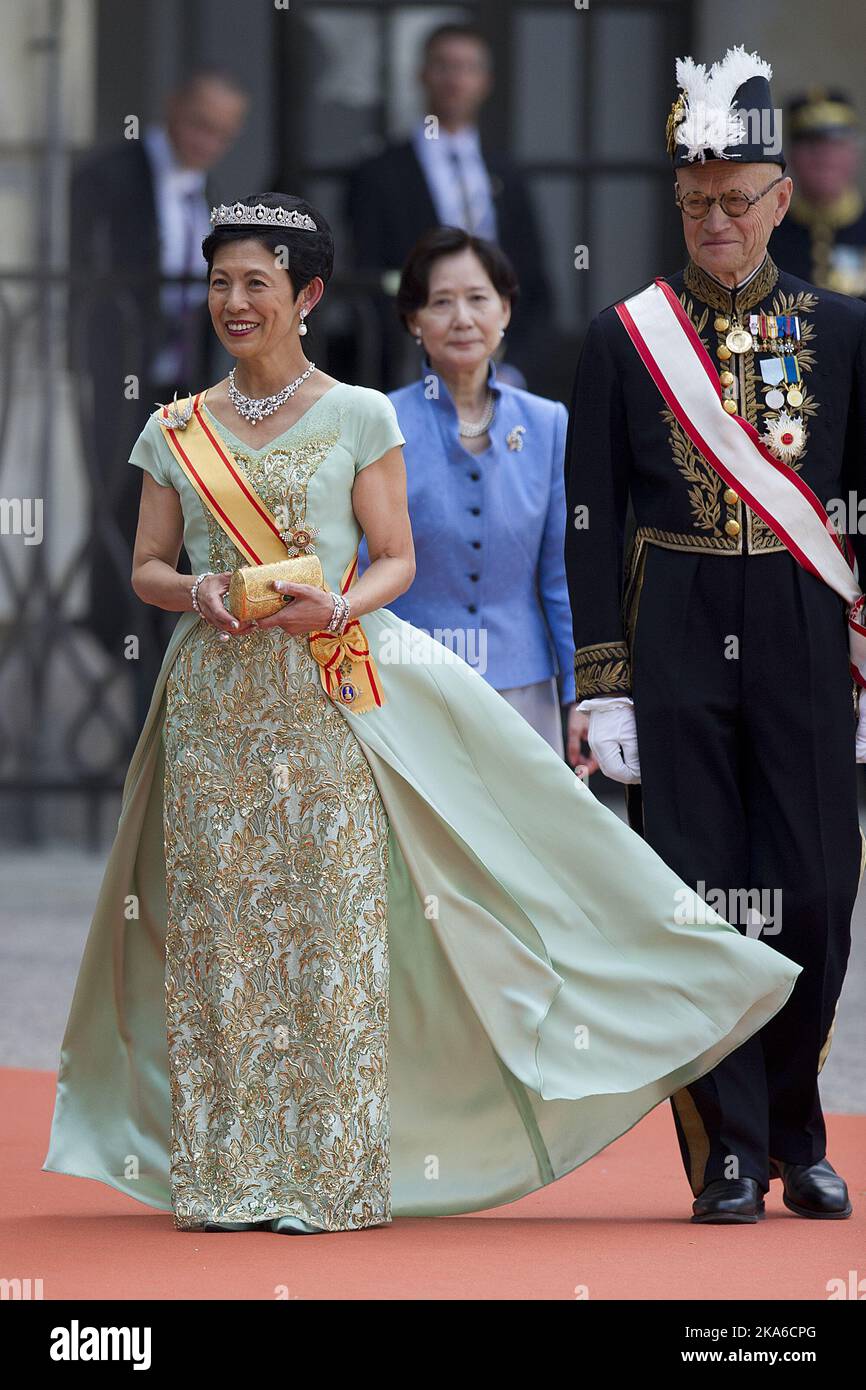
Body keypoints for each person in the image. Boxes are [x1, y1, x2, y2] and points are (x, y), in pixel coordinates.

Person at [43, 192, 800, 1235]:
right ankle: (225, 1171)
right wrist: (197, 593)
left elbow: (395, 559)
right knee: (223, 935)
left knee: (337, 931)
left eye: (255, 281)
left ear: (305, 295)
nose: (233, 300)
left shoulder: (362, 413)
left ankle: (334, 1171)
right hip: (215, 708)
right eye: (219, 282)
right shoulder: (173, 427)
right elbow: (145, 570)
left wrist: (336, 601)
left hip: (328, 697)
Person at [564, 46, 864, 1223]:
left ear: (781, 199)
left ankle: (797, 1125)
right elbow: (587, 523)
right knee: (699, 898)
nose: (714, 223)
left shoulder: (839, 331)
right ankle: (728, 1150)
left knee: (811, 892)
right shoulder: (622, 336)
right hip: (675, 623)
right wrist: (602, 682)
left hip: (798, 624)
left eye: (735, 201)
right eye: (694, 203)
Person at [357, 226, 589, 765]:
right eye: (441, 302)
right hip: (409, 684)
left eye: (478, 299)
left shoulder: (547, 423)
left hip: (522, 690)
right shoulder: (377, 420)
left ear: (505, 311)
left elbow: (559, 575)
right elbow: (361, 566)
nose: (462, 318)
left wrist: (582, 693)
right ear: (414, 320)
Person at [70, 68, 249, 728]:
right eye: (200, 125)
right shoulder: (110, 175)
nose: (207, 142)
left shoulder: (209, 191)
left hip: (182, 381)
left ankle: (155, 651)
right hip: (118, 374)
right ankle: (115, 638)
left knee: (176, 509)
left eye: (222, 135)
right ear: (174, 109)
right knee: (119, 502)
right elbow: (79, 277)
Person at [346, 23, 551, 388]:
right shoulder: (380, 173)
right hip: (411, 372)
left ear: (485, 81)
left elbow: (535, 282)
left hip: (502, 373)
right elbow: (369, 281)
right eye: (444, 66)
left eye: (468, 68)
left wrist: (514, 370)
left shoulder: (508, 172)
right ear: (422, 75)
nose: (456, 79)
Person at [770, 89, 866, 296]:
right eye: (811, 145)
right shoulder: (768, 235)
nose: (824, 156)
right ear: (791, 156)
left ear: (855, 152)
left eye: (836, 144)